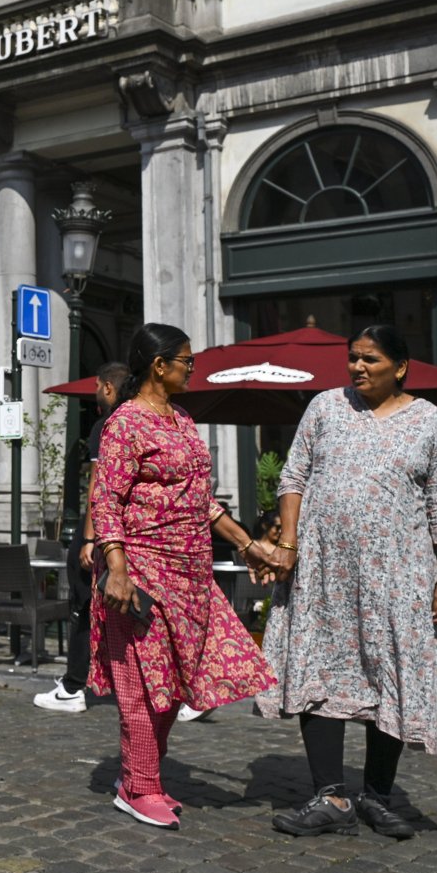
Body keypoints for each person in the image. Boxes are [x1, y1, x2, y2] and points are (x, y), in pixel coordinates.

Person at [257, 324, 437, 841]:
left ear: (400, 366)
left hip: (397, 578)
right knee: (320, 669)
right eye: (353, 358)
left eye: (370, 359)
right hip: (323, 574)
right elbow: (294, 476)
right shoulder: (326, 407)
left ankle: (377, 797)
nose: (358, 368)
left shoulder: (430, 421)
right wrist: (287, 543)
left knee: (387, 673)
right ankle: (330, 796)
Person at [90, 323, 275, 828]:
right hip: (141, 573)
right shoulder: (126, 423)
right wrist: (118, 569)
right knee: (143, 684)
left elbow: (202, 501)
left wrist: (249, 544)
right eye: (186, 361)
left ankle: (138, 775)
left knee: (174, 683)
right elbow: (105, 499)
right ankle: (139, 786)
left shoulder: (183, 420)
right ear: (159, 365)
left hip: (190, 574)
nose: (193, 369)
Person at [36, 361, 128, 714]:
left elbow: (98, 485)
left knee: (82, 606)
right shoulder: (141, 420)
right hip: (130, 534)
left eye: (96, 389)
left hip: (103, 535)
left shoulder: (107, 425)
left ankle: (74, 686)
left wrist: (89, 537)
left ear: (106, 387)